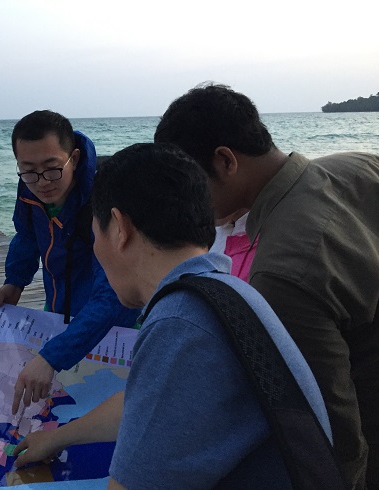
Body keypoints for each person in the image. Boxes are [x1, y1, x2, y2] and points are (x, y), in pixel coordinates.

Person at [13, 142, 332, 488]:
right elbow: (144, 404)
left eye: (95, 234)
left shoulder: (180, 325)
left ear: (119, 228)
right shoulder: (223, 290)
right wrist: (56, 438)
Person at [154, 83, 379, 490]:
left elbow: (331, 426)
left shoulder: (281, 272)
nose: (189, 202)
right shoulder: (359, 165)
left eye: (191, 184)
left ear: (225, 161)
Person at [0, 110, 139, 415]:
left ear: (73, 158)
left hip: (113, 328)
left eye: (52, 169)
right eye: (28, 170)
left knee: (102, 412)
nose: (42, 182)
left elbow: (112, 296)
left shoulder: (103, 202)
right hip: (58, 308)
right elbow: (26, 235)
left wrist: (52, 357)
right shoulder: (28, 190)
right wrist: (15, 281)